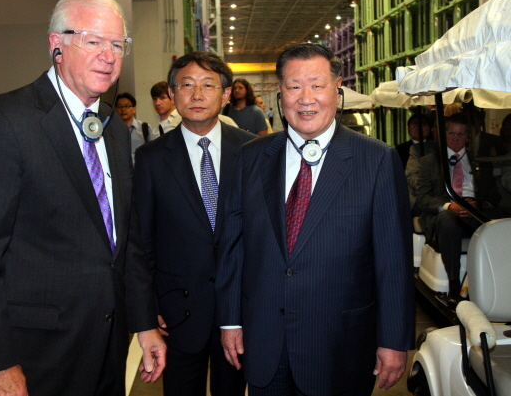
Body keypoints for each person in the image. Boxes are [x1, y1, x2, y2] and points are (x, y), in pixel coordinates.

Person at [0, 0, 165, 396]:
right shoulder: (3, 122)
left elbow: (125, 239)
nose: (109, 56)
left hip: (107, 347)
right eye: (93, 41)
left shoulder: (114, 130)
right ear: (56, 45)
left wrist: (143, 321)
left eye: (118, 44)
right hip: (32, 356)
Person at [217, 43, 414, 396]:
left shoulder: (376, 161)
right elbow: (233, 247)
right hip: (264, 344)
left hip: (340, 347)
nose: (305, 98)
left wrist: (394, 340)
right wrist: (230, 321)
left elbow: (393, 262)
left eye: (317, 85)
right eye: (294, 86)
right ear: (280, 94)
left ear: (337, 90)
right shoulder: (251, 158)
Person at [133, 51, 252, 396]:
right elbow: (142, 242)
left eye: (208, 85)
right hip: (176, 313)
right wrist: (147, 311)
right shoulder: (150, 158)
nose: (197, 95)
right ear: (172, 93)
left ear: (226, 94)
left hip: (240, 309)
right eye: (187, 85)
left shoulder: (253, 151)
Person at [416, 113, 502, 307]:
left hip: (475, 212)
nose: (455, 138)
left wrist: (480, 204)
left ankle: (497, 281)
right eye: (451, 134)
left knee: (501, 218)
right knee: (448, 220)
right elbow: (422, 198)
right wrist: (450, 206)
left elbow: (494, 195)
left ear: (467, 137)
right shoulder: (429, 161)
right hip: (447, 214)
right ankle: (454, 285)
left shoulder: (479, 161)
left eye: (460, 134)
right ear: (444, 134)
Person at [115, 92, 156, 162]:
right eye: (119, 106)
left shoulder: (144, 128)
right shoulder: (112, 130)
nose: (123, 109)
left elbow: (152, 151)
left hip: (140, 167)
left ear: (134, 109)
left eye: (127, 106)